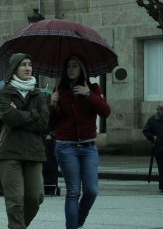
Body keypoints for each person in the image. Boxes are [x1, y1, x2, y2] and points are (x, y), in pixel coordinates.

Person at [48, 56, 111, 229]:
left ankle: (77, 223)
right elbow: (50, 124)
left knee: (91, 191)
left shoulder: (93, 89)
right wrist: (52, 105)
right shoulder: (59, 92)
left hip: (88, 147)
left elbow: (106, 112)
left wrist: (88, 95)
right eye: (68, 66)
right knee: (73, 192)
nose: (70, 69)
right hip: (66, 147)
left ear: (82, 69)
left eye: (75, 66)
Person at [0, 53, 49, 229]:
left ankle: (17, 226)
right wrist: (33, 115)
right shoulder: (5, 93)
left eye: (30, 64)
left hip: (33, 152)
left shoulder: (38, 95)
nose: (27, 68)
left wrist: (21, 115)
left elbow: (43, 123)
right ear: (14, 69)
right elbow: (9, 118)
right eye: (23, 65)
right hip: (10, 151)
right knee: (15, 200)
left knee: (35, 197)